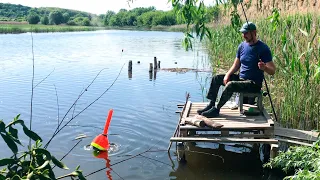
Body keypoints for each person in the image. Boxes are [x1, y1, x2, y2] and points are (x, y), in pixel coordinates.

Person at [198, 22, 276, 118]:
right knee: (216, 78)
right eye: (243, 33)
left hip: (253, 84)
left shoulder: (263, 48)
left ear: (254, 32)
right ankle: (211, 104)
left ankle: (216, 110)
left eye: (246, 33)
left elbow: (272, 70)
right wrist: (227, 75)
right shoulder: (242, 46)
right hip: (241, 79)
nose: (244, 35)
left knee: (231, 85)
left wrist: (264, 68)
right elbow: (236, 65)